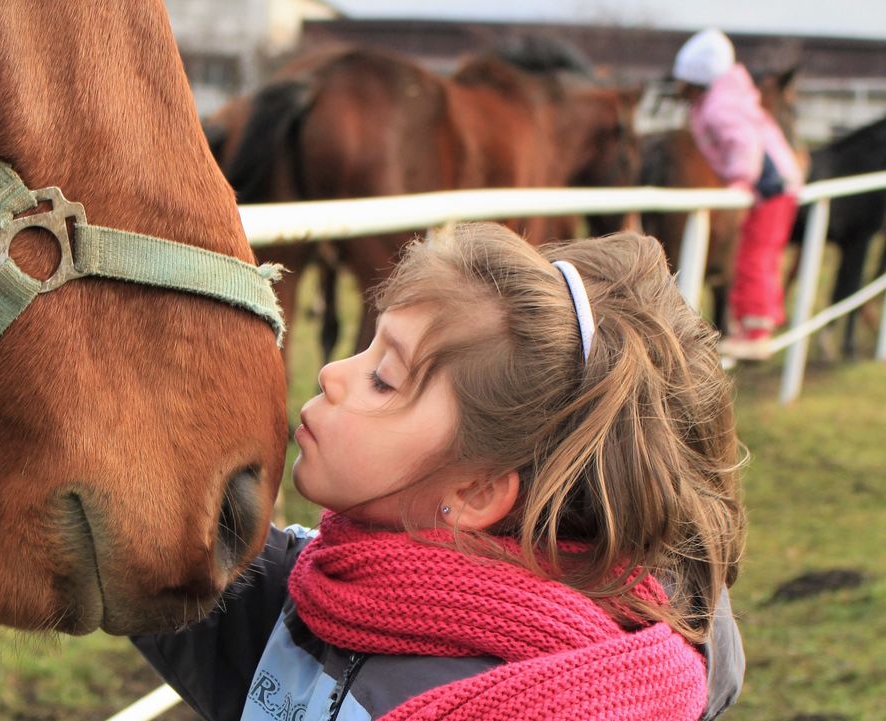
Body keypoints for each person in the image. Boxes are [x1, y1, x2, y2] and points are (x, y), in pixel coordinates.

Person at [134, 223, 747, 721]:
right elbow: (147, 529)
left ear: (475, 491)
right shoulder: (321, 592)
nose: (331, 373)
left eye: (385, 378)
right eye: (368, 346)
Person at [672, 28, 805, 360]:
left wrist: (741, 181)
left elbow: (745, 145)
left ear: (696, 80)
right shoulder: (725, 98)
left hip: (769, 188)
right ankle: (761, 321)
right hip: (778, 187)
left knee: (753, 257)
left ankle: (755, 335)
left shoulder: (720, 106)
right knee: (763, 255)